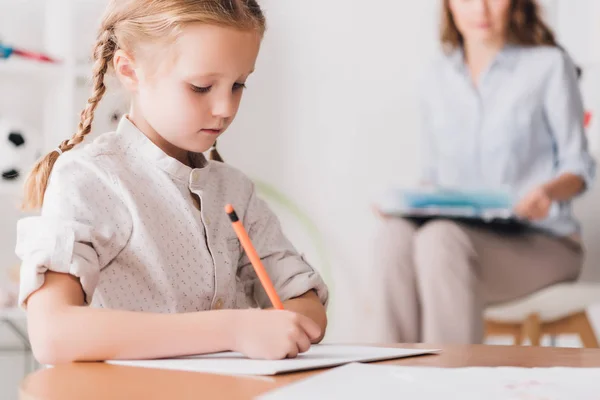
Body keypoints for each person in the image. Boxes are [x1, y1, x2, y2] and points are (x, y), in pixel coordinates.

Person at [16, 0, 328, 365]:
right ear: (130, 71)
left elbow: (304, 299)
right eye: (201, 87)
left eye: (238, 84)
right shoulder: (91, 178)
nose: (225, 107)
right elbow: (53, 335)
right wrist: (232, 330)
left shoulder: (235, 190)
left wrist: (292, 322)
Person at [372, 0, 595, 344]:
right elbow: (434, 177)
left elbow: (578, 166)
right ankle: (390, 379)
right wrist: (407, 205)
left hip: (542, 243)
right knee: (394, 237)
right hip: (464, 235)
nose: (480, 9)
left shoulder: (549, 65)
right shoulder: (437, 74)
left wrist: (547, 193)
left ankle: (452, 384)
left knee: (439, 240)